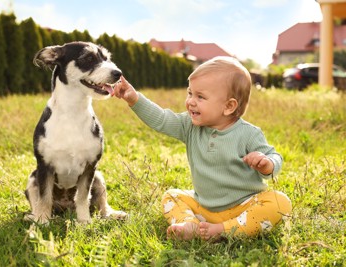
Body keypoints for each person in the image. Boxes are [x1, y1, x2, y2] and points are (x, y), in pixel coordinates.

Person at [113, 56, 292, 241]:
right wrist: (135, 99)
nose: (191, 101)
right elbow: (161, 119)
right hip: (204, 208)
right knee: (171, 196)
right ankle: (191, 225)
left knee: (279, 202)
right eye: (190, 93)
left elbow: (274, 157)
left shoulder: (249, 134)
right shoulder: (189, 126)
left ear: (229, 106)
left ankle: (226, 229)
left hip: (244, 207)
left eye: (200, 96)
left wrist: (267, 163)